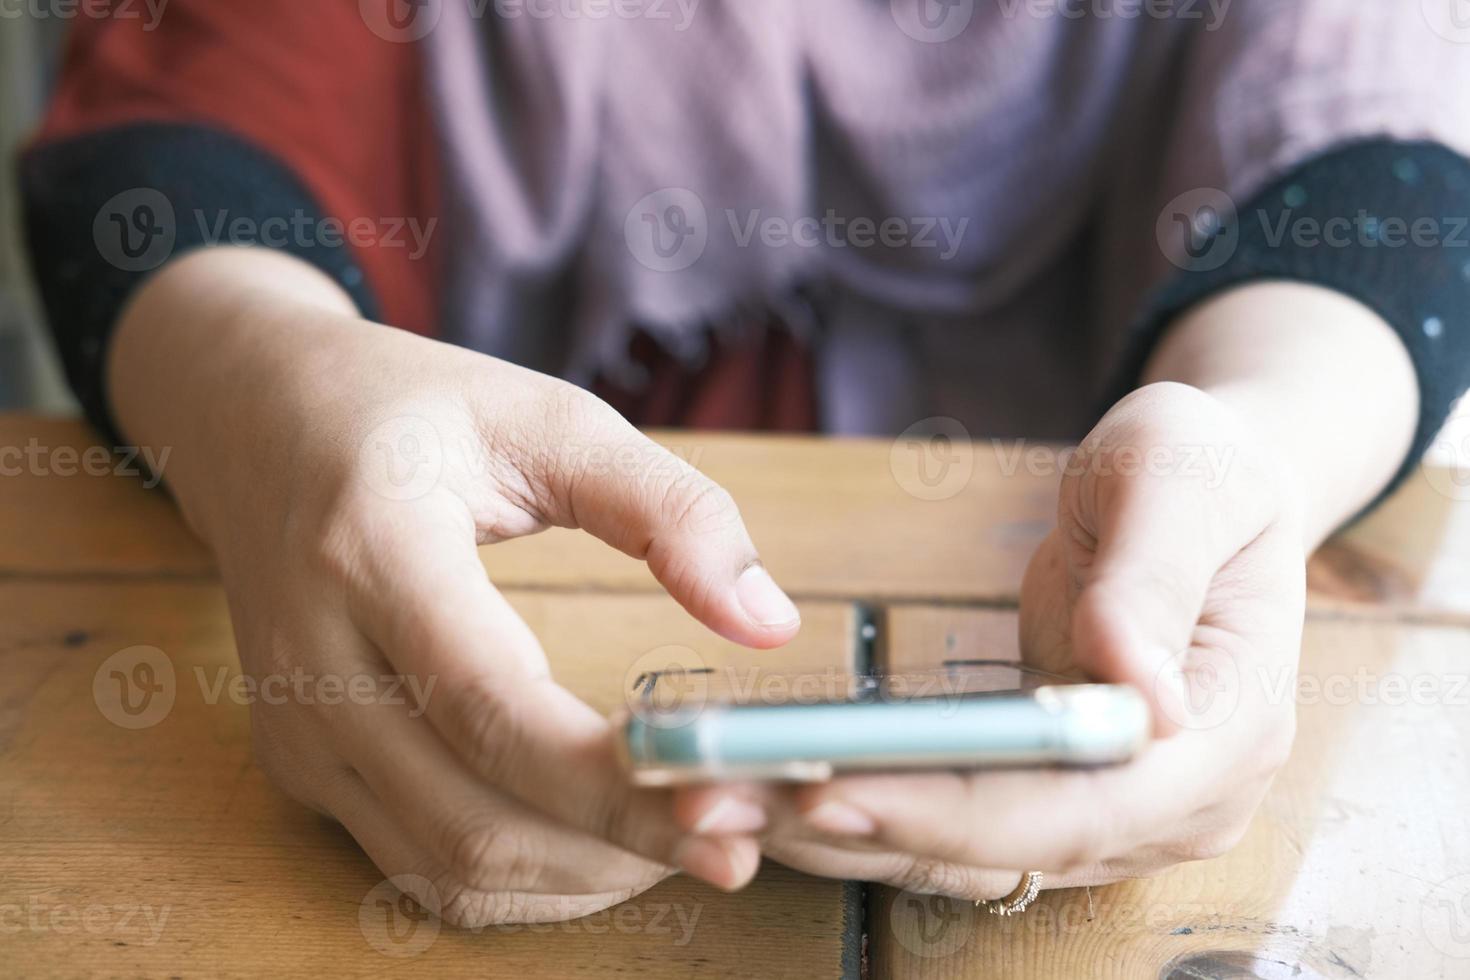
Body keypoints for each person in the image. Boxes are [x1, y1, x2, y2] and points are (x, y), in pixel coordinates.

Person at [21, 0, 1470, 925]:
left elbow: (1374, 155)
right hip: (473, 641)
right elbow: (173, 145)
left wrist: (1261, 442)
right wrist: (280, 394)